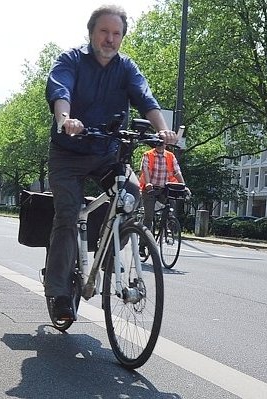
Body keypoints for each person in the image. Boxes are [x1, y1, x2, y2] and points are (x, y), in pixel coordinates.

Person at [43, 5, 178, 322]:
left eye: (116, 33)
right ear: (91, 33)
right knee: (67, 214)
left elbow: (146, 99)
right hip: (68, 153)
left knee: (131, 195)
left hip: (107, 153)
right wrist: (65, 119)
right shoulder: (71, 60)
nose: (110, 39)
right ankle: (60, 292)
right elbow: (60, 90)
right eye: (104, 32)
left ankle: (108, 257)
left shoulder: (126, 68)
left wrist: (161, 129)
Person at [138, 141, 189, 235]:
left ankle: (167, 223)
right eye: (158, 142)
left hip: (164, 189)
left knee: (171, 203)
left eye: (163, 142)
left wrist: (183, 186)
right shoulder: (148, 154)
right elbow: (145, 170)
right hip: (150, 189)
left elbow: (177, 172)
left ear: (166, 144)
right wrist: (148, 183)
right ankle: (142, 245)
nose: (161, 145)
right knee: (148, 217)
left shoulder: (170, 156)